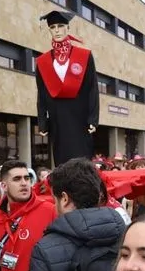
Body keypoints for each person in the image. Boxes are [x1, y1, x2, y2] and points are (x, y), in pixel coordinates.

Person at [36, 10, 99, 165]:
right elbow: (42, 93)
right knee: (62, 161)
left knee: (82, 161)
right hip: (57, 118)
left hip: (80, 116)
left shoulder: (84, 56)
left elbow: (92, 87)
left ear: (68, 28)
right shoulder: (43, 61)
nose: (57, 30)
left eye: (60, 26)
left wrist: (93, 118)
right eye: (53, 27)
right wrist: (42, 121)